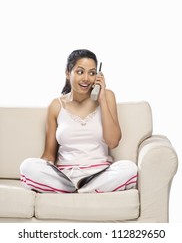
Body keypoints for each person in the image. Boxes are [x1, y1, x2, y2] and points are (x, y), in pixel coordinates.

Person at [20, 49, 137, 193]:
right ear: (68, 73)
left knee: (129, 168)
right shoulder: (56, 106)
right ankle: (78, 190)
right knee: (27, 166)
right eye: (80, 72)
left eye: (92, 73)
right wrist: (39, 169)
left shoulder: (107, 96)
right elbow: (49, 154)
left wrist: (102, 100)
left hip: (98, 174)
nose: (86, 78)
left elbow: (113, 142)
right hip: (65, 177)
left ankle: (79, 191)